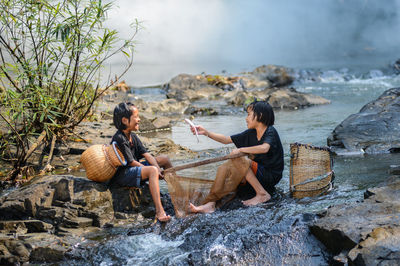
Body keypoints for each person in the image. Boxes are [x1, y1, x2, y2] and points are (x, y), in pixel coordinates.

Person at [189, 100, 284, 214]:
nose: (246, 118)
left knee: (238, 157)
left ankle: (262, 194)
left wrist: (240, 150)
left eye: (249, 114)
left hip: (270, 176)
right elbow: (225, 140)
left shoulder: (270, 131)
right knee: (224, 167)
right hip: (257, 174)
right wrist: (206, 132)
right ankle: (211, 203)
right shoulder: (251, 133)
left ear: (260, 115)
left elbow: (264, 148)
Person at [111, 102, 172, 222]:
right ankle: (159, 212)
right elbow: (131, 162)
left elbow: (147, 155)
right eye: (136, 117)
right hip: (123, 174)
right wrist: (154, 171)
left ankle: (177, 193)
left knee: (164, 159)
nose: (139, 120)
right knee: (152, 170)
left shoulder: (133, 137)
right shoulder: (119, 138)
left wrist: (159, 169)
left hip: (134, 168)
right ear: (124, 120)